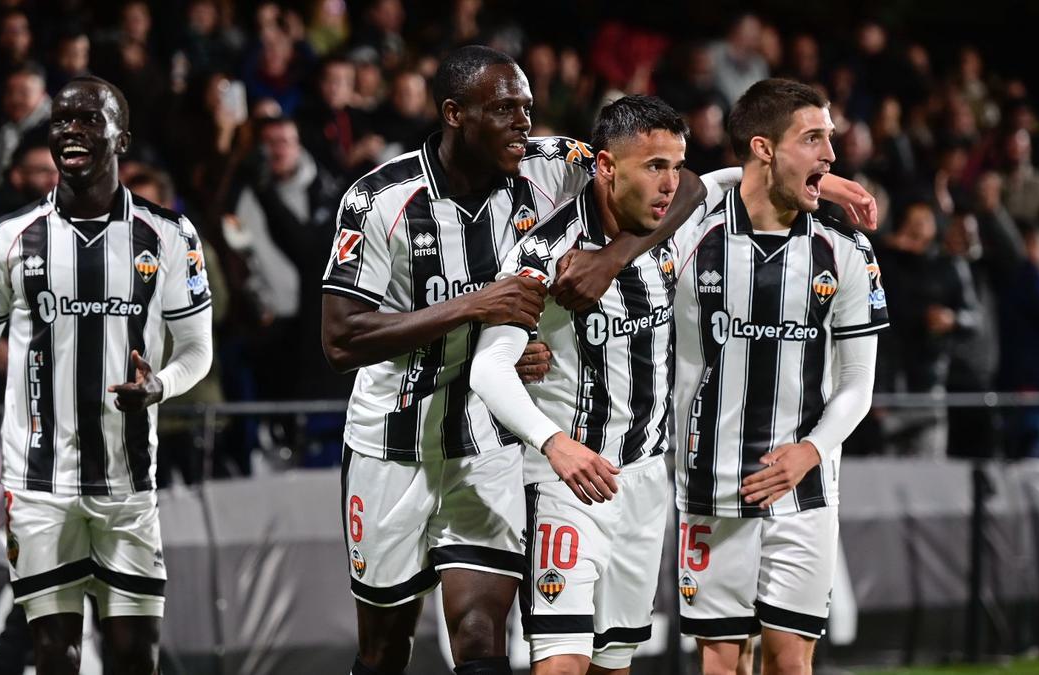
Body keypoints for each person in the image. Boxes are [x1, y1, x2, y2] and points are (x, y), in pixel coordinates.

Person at [320, 46, 710, 675]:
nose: (523, 124)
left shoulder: (551, 166)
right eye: (504, 109)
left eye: (527, 108)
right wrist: (477, 309)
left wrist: (612, 259)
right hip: (391, 444)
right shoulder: (380, 200)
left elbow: (683, 183)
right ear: (454, 113)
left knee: (479, 635)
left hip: (490, 443)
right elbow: (341, 341)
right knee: (386, 647)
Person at [0, 75, 213, 675]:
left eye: (89, 119)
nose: (71, 131)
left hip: (128, 486)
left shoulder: (169, 236)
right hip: (40, 485)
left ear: (122, 137)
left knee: (134, 658)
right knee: (53, 656)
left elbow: (197, 350)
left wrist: (159, 384)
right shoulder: (9, 237)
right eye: (62, 120)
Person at [670, 79, 888, 675]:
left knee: (790, 663)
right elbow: (681, 189)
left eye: (831, 140)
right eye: (813, 139)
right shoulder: (692, 233)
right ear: (764, 149)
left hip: (806, 489)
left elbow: (858, 386)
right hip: (711, 482)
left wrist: (810, 452)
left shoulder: (846, 250)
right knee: (720, 664)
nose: (831, 155)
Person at [470, 94, 693, 675]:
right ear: (606, 167)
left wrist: (835, 188)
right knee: (561, 662)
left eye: (675, 165)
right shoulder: (546, 253)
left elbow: (719, 183)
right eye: (654, 166)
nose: (670, 184)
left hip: (644, 481)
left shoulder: (661, 223)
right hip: (565, 484)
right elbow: (489, 368)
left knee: (612, 665)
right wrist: (554, 443)